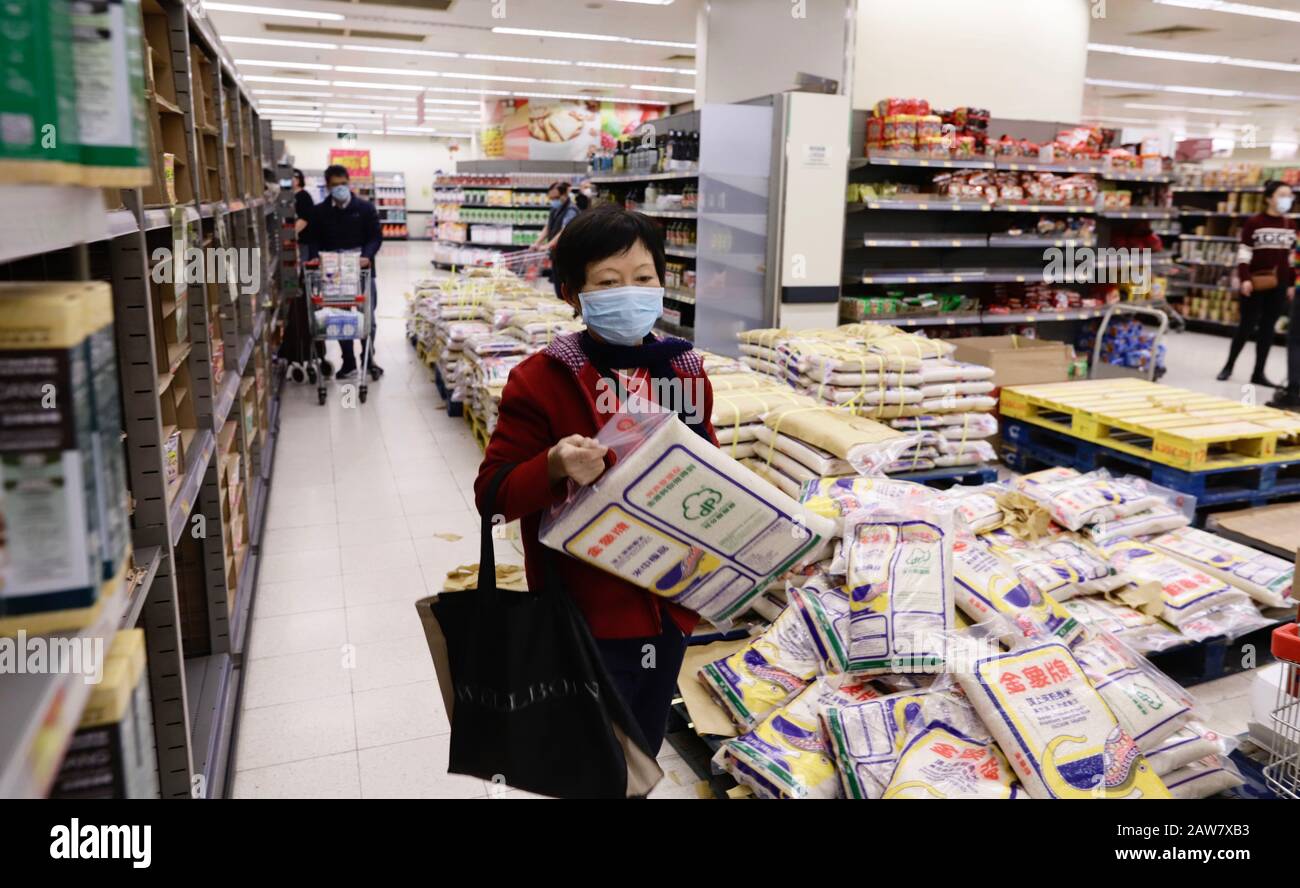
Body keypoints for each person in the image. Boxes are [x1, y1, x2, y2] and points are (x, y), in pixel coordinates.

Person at [475, 204, 717, 757]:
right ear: (572, 294)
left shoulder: (682, 369)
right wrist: (553, 466)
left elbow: (710, 471)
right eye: (609, 282)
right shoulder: (540, 381)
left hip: (670, 607)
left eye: (643, 278)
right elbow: (491, 497)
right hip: (588, 618)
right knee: (594, 760)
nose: (630, 292)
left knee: (642, 748)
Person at [311, 163, 384, 379]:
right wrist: (316, 257)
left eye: (343, 184)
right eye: (335, 185)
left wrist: (366, 256)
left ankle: (368, 359)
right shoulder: (320, 212)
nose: (340, 188)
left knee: (367, 317)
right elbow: (314, 239)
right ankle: (349, 362)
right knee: (340, 318)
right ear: (328, 186)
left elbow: (375, 237)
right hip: (333, 273)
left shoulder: (365, 208)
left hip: (361, 270)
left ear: (348, 183)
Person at [1219, 180, 1294, 387]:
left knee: (1268, 329)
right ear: (1269, 198)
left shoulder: (1290, 225)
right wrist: (1244, 279)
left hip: (1278, 285)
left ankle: (1258, 372)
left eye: (1289, 195)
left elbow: (1291, 258)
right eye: (1282, 194)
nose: (1286, 199)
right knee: (1246, 326)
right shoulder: (1254, 222)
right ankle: (1228, 366)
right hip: (1253, 283)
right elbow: (1244, 254)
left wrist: (1290, 283)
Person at [290, 169, 332, 376]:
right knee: (301, 301)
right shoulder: (289, 197)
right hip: (299, 248)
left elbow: (304, 219)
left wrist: (288, 235)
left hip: (304, 247)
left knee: (305, 292)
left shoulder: (303, 196)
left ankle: (307, 350)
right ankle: (302, 350)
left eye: (293, 177)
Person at [533, 181, 580, 299]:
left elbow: (564, 230)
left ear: (564, 195)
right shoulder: (555, 209)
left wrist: (548, 245)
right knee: (558, 287)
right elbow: (548, 227)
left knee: (565, 289)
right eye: (551, 198)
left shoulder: (571, 210)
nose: (553, 201)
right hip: (556, 254)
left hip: (567, 255)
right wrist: (537, 242)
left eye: (556, 198)